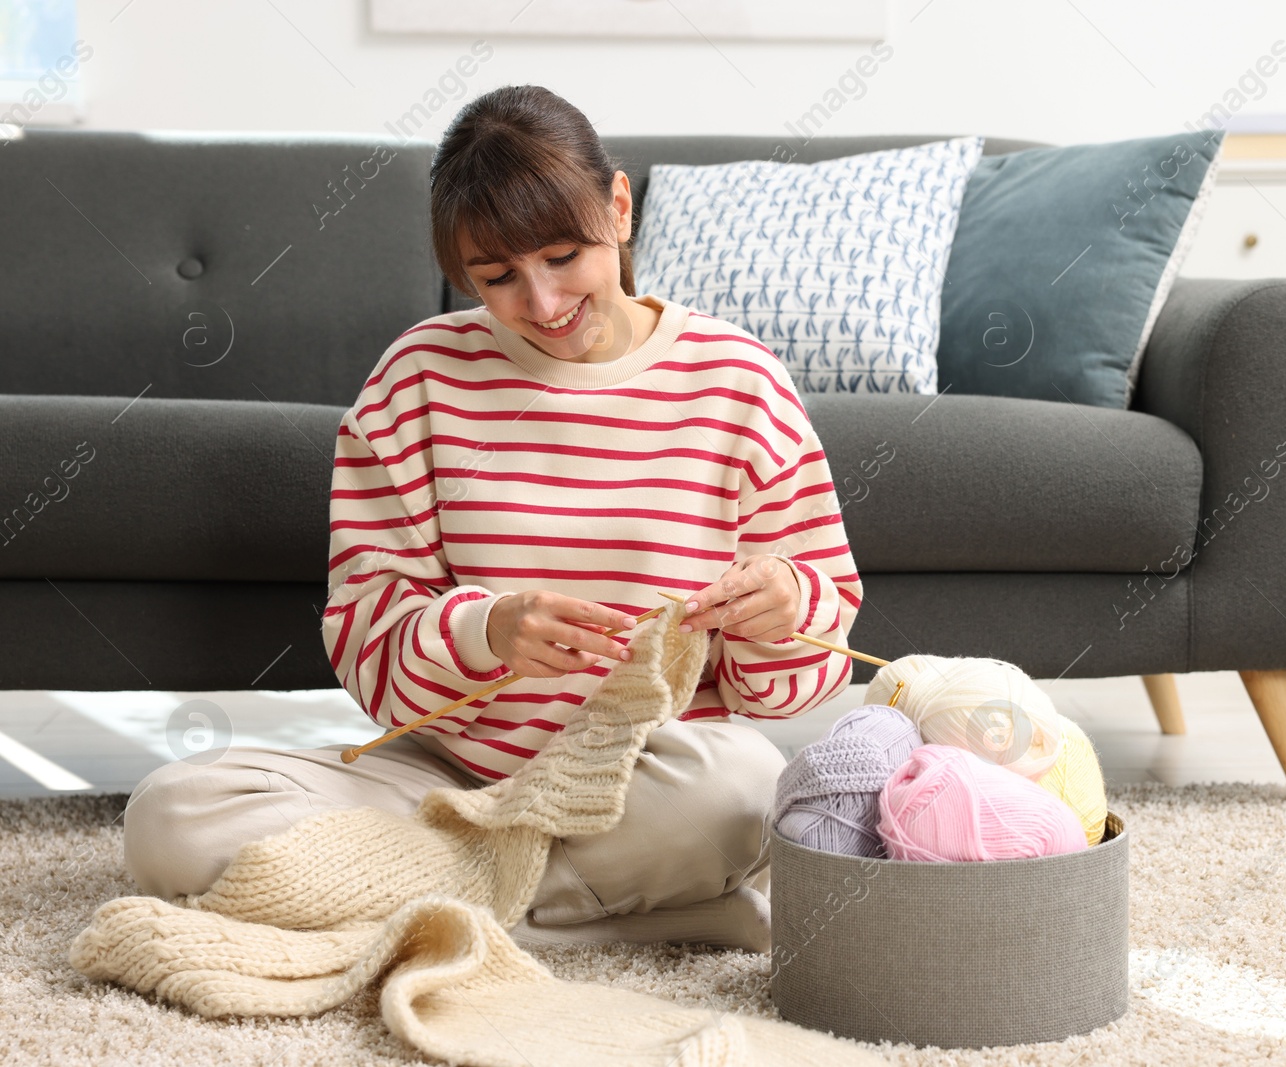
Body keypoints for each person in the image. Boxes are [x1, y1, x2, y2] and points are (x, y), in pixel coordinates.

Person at [120, 84, 863, 955]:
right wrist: (487, 629)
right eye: (498, 277)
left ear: (618, 208)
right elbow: (366, 643)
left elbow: (798, 678)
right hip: (448, 783)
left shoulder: (740, 383)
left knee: (743, 788)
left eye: (563, 256)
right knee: (170, 816)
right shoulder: (416, 380)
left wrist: (786, 612)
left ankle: (405, 903)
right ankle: (622, 918)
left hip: (645, 785)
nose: (544, 304)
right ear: (460, 271)